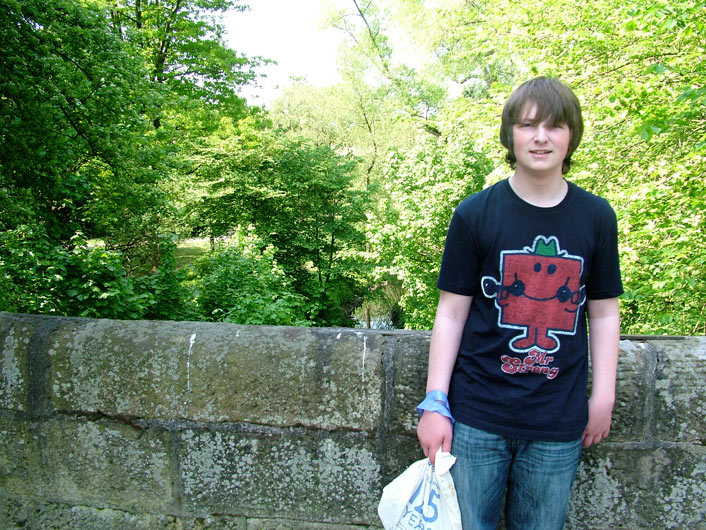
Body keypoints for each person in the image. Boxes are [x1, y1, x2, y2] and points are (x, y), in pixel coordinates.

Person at [416, 76, 623, 530]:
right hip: (476, 418)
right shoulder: (475, 214)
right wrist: (435, 402)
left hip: (558, 419)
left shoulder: (596, 217)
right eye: (529, 125)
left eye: (555, 126)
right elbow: (452, 312)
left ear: (573, 136)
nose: (541, 137)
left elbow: (604, 312)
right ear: (511, 133)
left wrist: (603, 395)